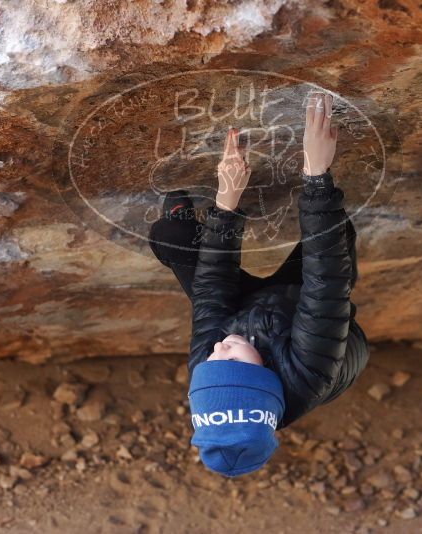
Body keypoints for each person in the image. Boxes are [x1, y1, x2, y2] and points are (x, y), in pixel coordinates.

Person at [148, 92, 370, 477]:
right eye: (229, 360)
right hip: (306, 307)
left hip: (254, 317)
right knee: (336, 232)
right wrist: (316, 174)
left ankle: (181, 226)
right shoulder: (309, 367)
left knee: (170, 234)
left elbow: (210, 292)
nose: (218, 348)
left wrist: (226, 203)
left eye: (211, 362)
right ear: (266, 373)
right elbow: (325, 276)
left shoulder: (212, 364)